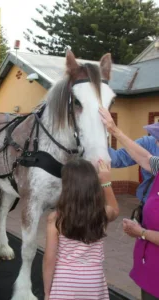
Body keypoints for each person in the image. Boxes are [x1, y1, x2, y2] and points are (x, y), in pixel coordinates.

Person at [99, 107, 159, 300]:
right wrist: (106, 133)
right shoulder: (150, 147)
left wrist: (141, 232)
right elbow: (146, 159)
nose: (155, 141)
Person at [43, 158, 119, 300]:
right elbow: (115, 209)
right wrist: (106, 182)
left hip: (65, 282)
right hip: (93, 281)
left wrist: (47, 292)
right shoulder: (101, 214)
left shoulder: (56, 219)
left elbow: (49, 258)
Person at [109, 122, 159, 204]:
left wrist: (114, 130)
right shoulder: (148, 143)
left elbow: (147, 160)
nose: (156, 141)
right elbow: (118, 158)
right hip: (148, 204)